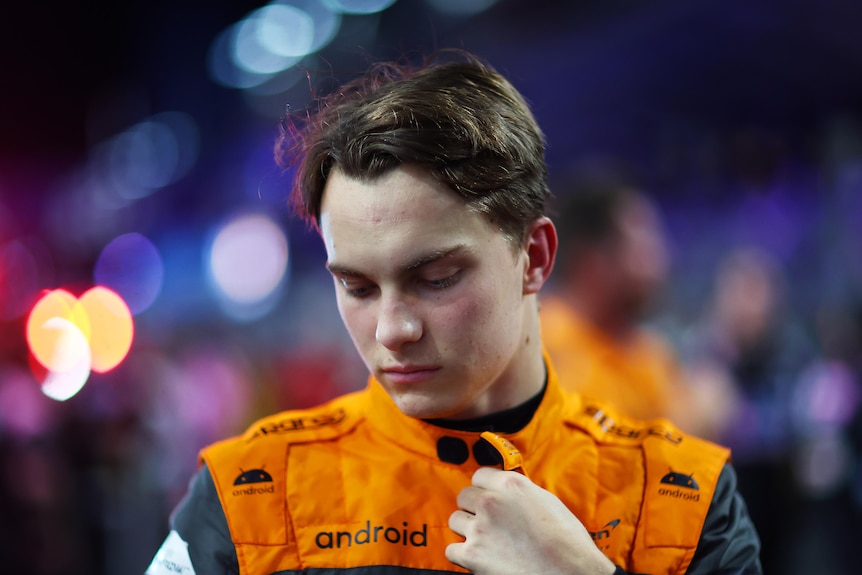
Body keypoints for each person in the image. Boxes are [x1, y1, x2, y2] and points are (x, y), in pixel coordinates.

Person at [145, 49, 762, 575]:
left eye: (436, 279)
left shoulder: (688, 494)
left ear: (534, 258)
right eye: (357, 287)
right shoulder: (248, 492)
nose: (392, 330)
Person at [540, 177, 731, 438]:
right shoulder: (544, 344)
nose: (662, 260)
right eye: (643, 244)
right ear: (590, 260)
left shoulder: (649, 353)